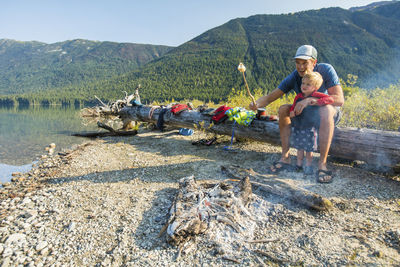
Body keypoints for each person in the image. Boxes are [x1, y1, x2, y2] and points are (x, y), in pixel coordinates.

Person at [249, 45, 344, 183]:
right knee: (283, 109)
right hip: (306, 116)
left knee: (326, 109)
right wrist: (256, 104)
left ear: (314, 62)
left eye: (304, 63)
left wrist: (311, 100)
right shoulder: (294, 76)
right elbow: (270, 97)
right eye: (298, 63)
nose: (300, 67)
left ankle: (322, 164)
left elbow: (339, 100)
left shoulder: (326, 70)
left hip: (327, 114)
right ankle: (285, 157)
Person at [289, 71, 333, 175]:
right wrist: (291, 111)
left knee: (309, 149)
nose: (304, 86)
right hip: (299, 126)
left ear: (315, 87)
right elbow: (293, 105)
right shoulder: (299, 96)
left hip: (310, 127)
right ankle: (299, 165)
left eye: (308, 84)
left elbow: (329, 99)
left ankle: (308, 166)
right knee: (299, 147)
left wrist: (317, 102)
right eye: (303, 83)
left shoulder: (317, 95)